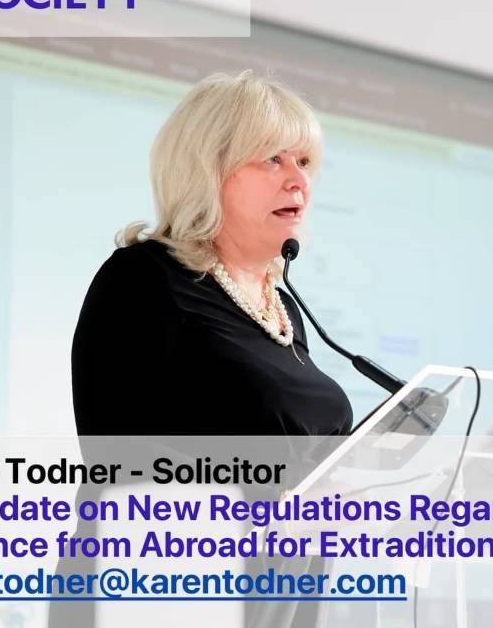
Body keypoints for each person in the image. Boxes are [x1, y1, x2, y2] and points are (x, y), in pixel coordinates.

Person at [70, 70, 353, 437]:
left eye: (304, 163)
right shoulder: (143, 279)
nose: (300, 181)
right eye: (273, 159)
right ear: (208, 170)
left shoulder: (284, 310)